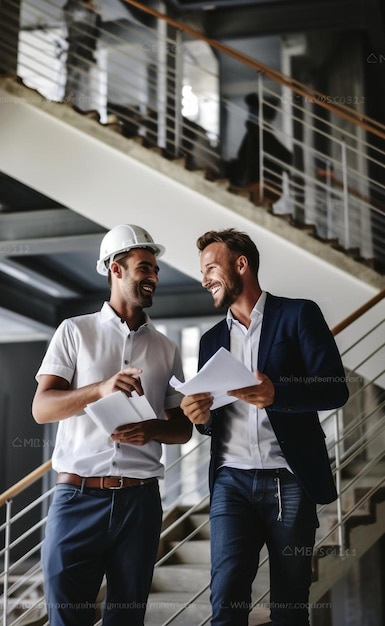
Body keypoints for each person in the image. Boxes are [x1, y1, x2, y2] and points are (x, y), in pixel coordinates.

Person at [180, 228, 349, 626]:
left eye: (210, 268)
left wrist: (278, 394)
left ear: (241, 265)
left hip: (288, 480)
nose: (204, 279)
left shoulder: (298, 314)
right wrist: (201, 418)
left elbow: (335, 389)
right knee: (226, 599)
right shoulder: (211, 340)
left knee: (290, 605)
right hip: (231, 483)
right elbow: (213, 420)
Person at [32, 224, 192, 626]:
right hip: (77, 498)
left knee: (127, 620)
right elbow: (42, 408)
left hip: (140, 504)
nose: (153, 276)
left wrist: (151, 430)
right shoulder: (74, 331)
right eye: (144, 268)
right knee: (67, 618)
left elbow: (183, 429)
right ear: (116, 270)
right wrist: (99, 389)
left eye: (155, 269)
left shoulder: (166, 348)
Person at [229, 93, 293, 205]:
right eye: (251, 111)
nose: (249, 115)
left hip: (261, 185)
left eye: (253, 111)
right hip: (256, 183)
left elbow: (287, 158)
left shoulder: (260, 135)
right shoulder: (256, 134)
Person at [62, 0, 102, 109]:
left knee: (84, 83)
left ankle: (79, 107)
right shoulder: (73, 6)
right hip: (76, 48)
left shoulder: (93, 12)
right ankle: (68, 103)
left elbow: (96, 32)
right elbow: (68, 11)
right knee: (72, 79)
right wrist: (85, 6)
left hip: (87, 51)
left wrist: (96, 14)